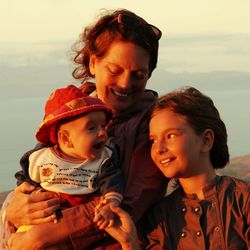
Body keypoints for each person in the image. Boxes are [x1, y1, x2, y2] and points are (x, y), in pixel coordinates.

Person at [2, 8, 168, 249]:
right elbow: (41, 168)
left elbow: (129, 203)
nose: (125, 83)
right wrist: (13, 210)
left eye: (138, 75)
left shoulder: (153, 124)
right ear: (93, 62)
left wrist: (40, 236)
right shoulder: (69, 111)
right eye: (115, 70)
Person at [102, 86, 250, 250]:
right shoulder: (157, 219)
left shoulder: (243, 201)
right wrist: (129, 243)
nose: (159, 149)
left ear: (206, 140)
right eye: (153, 141)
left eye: (170, 136)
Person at [16, 84, 123, 235]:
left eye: (103, 125)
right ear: (66, 139)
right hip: (43, 219)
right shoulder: (40, 158)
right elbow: (25, 182)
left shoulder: (105, 159)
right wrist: (31, 194)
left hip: (76, 225)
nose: (102, 133)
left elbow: (112, 183)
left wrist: (110, 203)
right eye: (92, 128)